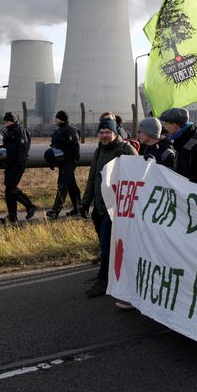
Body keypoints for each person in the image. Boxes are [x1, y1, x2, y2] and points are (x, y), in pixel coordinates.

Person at [80, 118, 137, 297]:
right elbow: (92, 178)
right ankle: (115, 274)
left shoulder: (125, 150)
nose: (104, 136)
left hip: (116, 208)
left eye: (108, 132)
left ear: (115, 133)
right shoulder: (99, 150)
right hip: (100, 206)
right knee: (106, 244)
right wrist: (85, 202)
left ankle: (103, 280)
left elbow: (136, 176)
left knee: (106, 244)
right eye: (102, 132)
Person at [0, 112, 37, 224]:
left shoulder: (19, 131)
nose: (6, 124)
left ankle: (30, 205)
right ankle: (12, 216)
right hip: (12, 164)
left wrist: (17, 163)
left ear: (14, 121)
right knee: (8, 191)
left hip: (17, 164)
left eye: (8, 122)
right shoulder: (11, 131)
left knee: (11, 188)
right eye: (5, 122)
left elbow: (22, 149)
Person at [46, 110, 81, 219]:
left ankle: (55, 211)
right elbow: (55, 147)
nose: (55, 120)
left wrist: (70, 161)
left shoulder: (70, 130)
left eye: (57, 118)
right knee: (71, 185)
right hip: (62, 162)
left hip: (68, 162)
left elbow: (74, 148)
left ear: (61, 119)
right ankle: (78, 208)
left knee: (63, 184)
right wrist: (53, 161)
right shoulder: (59, 131)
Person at [159, 107, 197, 180]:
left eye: (166, 124)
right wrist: (156, 165)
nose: (165, 128)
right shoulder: (181, 140)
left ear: (175, 125)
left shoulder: (196, 143)